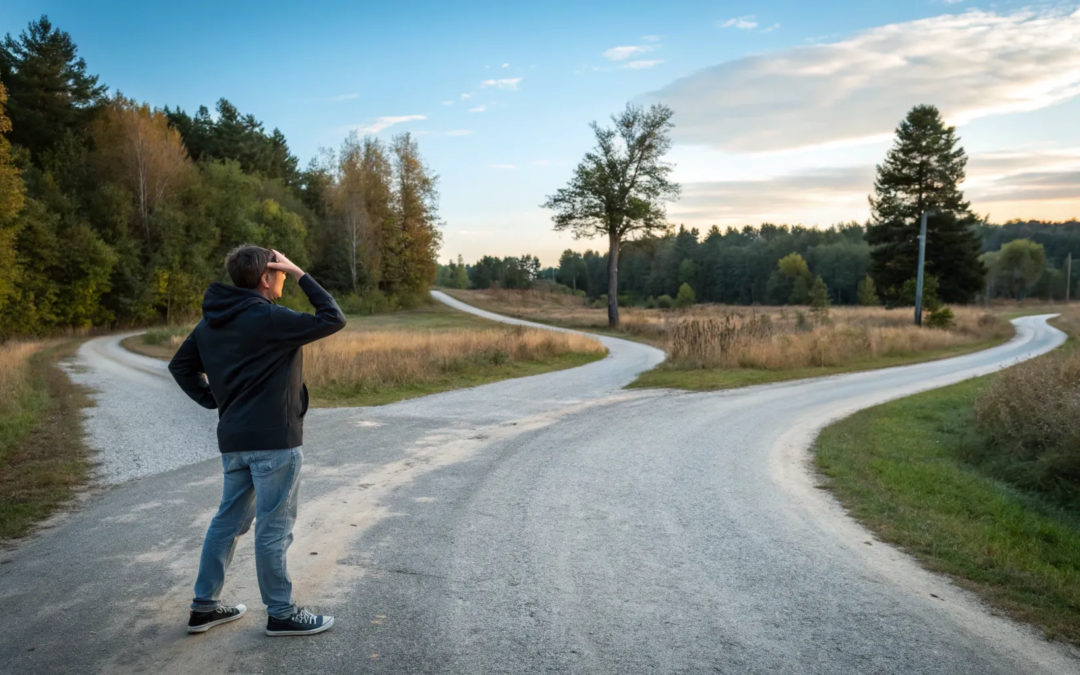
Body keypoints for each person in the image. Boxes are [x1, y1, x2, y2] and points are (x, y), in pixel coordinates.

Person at [168, 245, 346, 637]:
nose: (283, 277)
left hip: (235, 442)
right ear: (266, 278)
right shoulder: (270, 317)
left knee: (227, 522)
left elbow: (180, 366)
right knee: (273, 529)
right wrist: (301, 272)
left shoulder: (210, 323)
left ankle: (203, 607)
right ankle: (281, 613)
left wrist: (215, 400)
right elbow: (333, 317)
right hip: (275, 444)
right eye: (279, 272)